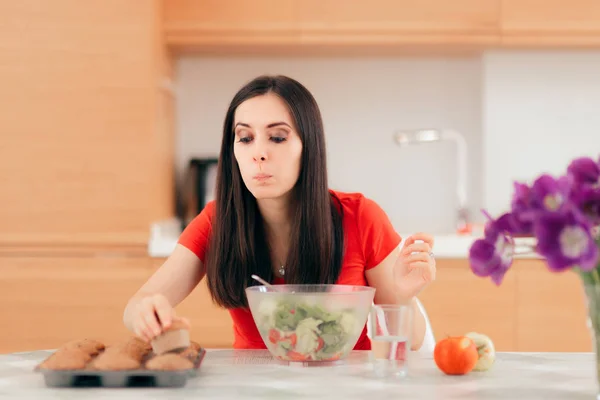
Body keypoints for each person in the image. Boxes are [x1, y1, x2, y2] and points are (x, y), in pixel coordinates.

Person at [123, 75, 436, 352]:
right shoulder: (217, 221)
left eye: (277, 137)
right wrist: (145, 311)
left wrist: (405, 298)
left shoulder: (360, 217)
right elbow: (138, 303)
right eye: (245, 138)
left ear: (308, 146)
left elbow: (413, 341)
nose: (259, 152)